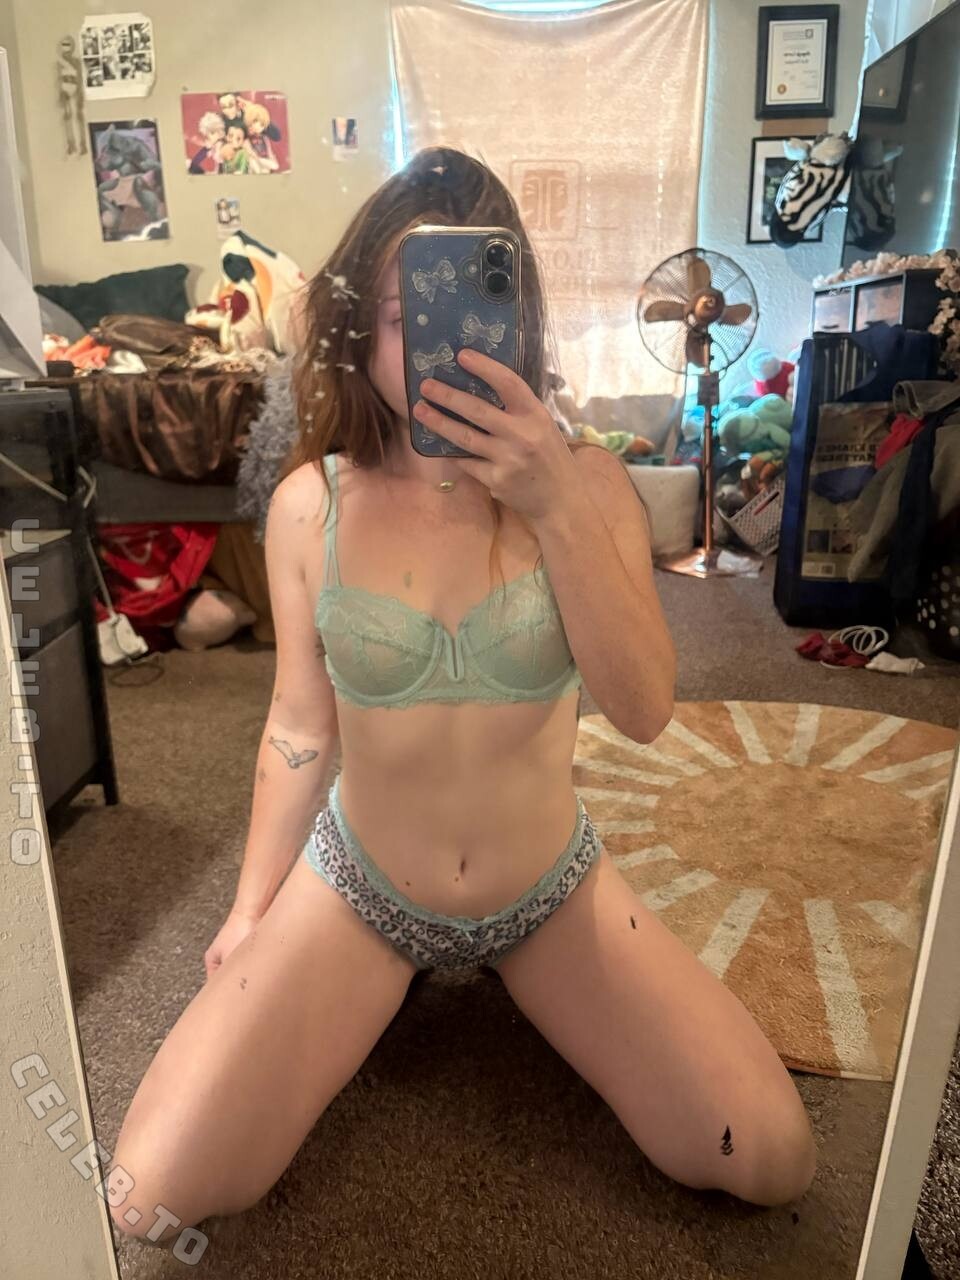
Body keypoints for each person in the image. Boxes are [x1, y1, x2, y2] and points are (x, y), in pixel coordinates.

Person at [107, 146, 816, 1246]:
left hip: (547, 887)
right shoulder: (310, 506)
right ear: (361, 329)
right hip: (361, 884)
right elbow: (297, 724)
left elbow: (643, 710)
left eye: (468, 312)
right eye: (402, 318)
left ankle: (468, 982)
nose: (435, 347)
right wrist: (249, 912)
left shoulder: (589, 486)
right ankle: (381, 982)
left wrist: (554, 502)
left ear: (515, 318)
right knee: (147, 1197)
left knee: (769, 1156)